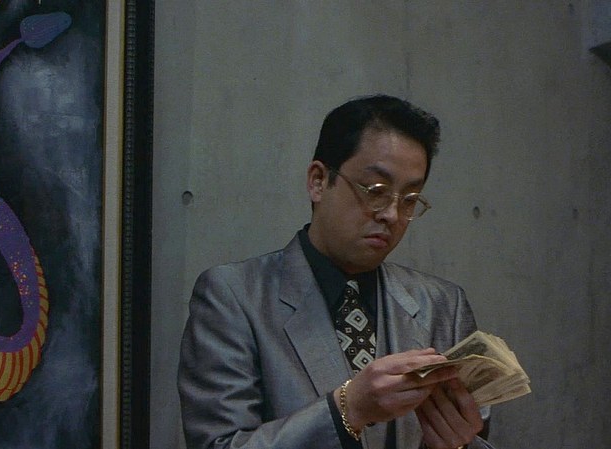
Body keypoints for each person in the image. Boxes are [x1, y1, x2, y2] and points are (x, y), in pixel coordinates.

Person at [178, 94, 496, 449]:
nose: (391, 215)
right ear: (318, 181)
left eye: (409, 200)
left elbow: (474, 433)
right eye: (376, 191)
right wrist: (348, 409)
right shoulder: (235, 297)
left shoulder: (442, 304)